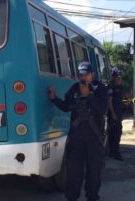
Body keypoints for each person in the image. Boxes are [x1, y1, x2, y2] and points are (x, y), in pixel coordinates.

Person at [49, 62, 108, 201]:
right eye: (81, 74)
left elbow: (102, 109)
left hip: (94, 138)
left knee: (94, 172)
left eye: (86, 74)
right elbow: (65, 106)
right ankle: (72, 197)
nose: (83, 77)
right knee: (73, 172)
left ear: (92, 75)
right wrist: (54, 99)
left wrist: (89, 96)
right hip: (76, 138)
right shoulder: (74, 88)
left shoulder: (100, 89)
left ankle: (92, 197)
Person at [107, 67, 124, 161]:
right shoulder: (111, 87)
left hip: (119, 112)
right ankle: (115, 152)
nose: (119, 78)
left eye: (120, 77)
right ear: (114, 77)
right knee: (114, 133)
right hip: (113, 113)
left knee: (118, 132)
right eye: (118, 77)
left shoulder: (119, 87)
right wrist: (113, 113)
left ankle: (113, 150)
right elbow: (109, 101)